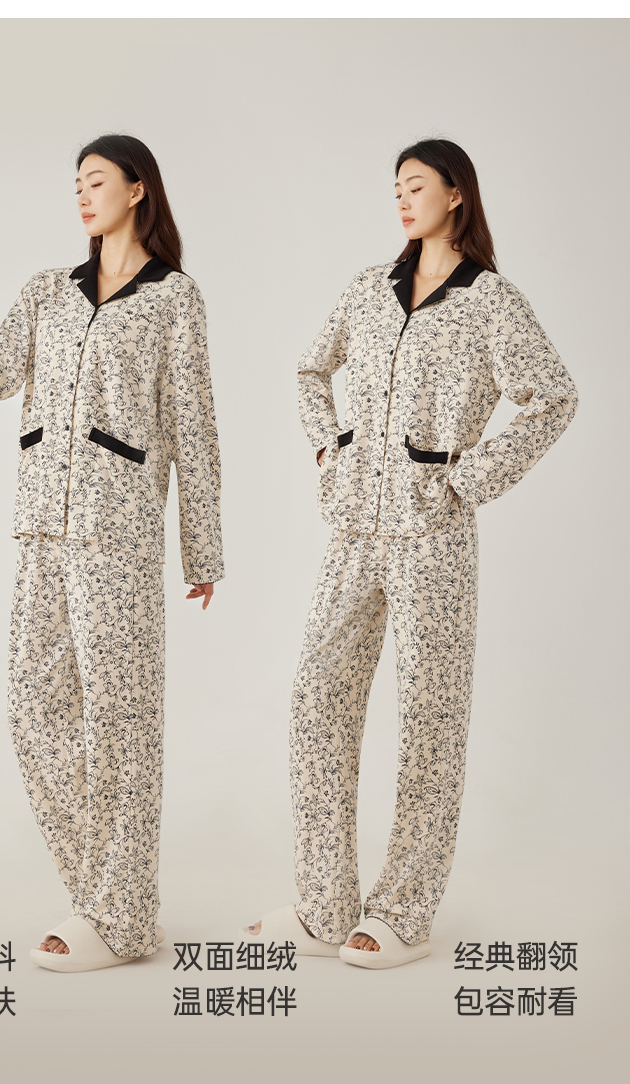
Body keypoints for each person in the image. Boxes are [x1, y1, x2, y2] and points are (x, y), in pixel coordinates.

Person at [0, 133, 225, 974]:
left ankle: (117, 916)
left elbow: (195, 424)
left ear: (137, 189)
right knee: (34, 713)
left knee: (122, 726)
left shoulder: (175, 298)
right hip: (40, 531)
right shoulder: (46, 292)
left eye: (96, 181)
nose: (82, 195)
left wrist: (201, 546)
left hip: (119, 533)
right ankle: (112, 903)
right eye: (76, 185)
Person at [241, 138, 578, 970]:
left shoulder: (491, 300)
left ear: (456, 194)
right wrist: (330, 448)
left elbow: (554, 396)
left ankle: (403, 908)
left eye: (416, 185)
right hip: (354, 526)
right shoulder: (369, 287)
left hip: (434, 533)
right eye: (395, 186)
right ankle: (324, 904)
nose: (401, 197)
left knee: (430, 718)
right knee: (316, 694)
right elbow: (310, 369)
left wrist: (470, 479)